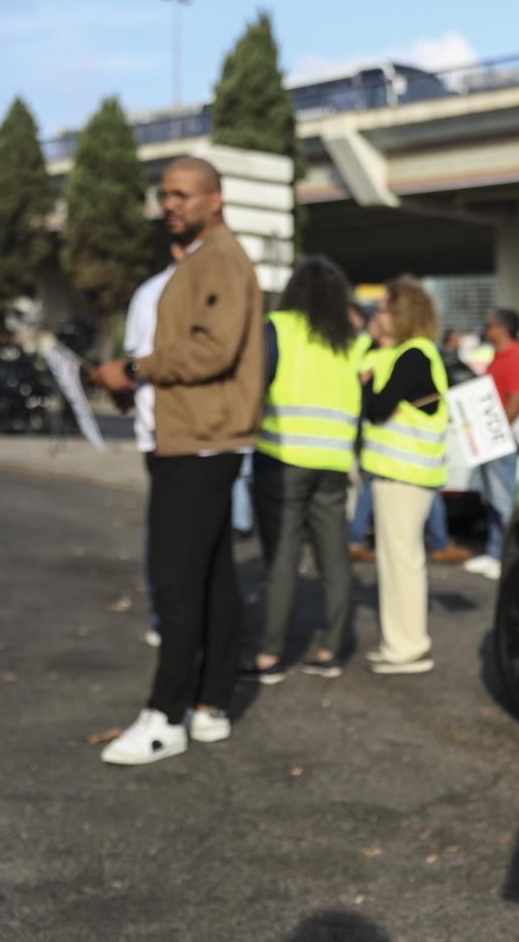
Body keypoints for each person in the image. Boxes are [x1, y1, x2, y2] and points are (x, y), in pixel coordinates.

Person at [92, 156, 265, 765]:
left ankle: (166, 716)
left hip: (199, 443)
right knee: (213, 577)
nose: (170, 205)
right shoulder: (202, 260)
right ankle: (211, 704)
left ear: (214, 200)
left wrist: (134, 368)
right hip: (194, 439)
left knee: (177, 581)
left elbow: (212, 349)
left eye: (183, 195)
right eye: (165, 195)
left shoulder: (220, 259)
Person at [241, 256, 362, 685]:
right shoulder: (348, 340)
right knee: (334, 556)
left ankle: (270, 654)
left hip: (283, 458)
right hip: (332, 463)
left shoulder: (279, 328)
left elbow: (253, 383)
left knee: (282, 559)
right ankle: (332, 647)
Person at [360, 276, 449, 674]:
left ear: (401, 314)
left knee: (402, 562)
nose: (375, 316)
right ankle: (399, 642)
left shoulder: (413, 354)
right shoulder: (411, 353)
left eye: (381, 309)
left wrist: (365, 386)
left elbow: (377, 407)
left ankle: (409, 646)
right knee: (396, 561)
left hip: (405, 475)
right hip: (401, 475)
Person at [119, 238, 187, 649]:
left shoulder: (146, 293)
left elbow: (134, 363)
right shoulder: (167, 292)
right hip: (183, 432)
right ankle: (174, 618)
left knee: (164, 532)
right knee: (184, 534)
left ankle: (165, 617)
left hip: (156, 430)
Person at [463, 307, 519, 580]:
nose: (486, 330)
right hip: (490, 441)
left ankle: (509, 558)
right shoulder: (500, 359)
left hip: (498, 443)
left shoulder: (514, 360)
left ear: (502, 329)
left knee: (503, 503)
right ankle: (494, 553)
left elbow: (514, 400)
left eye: (489, 325)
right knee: (492, 501)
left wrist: (495, 433)